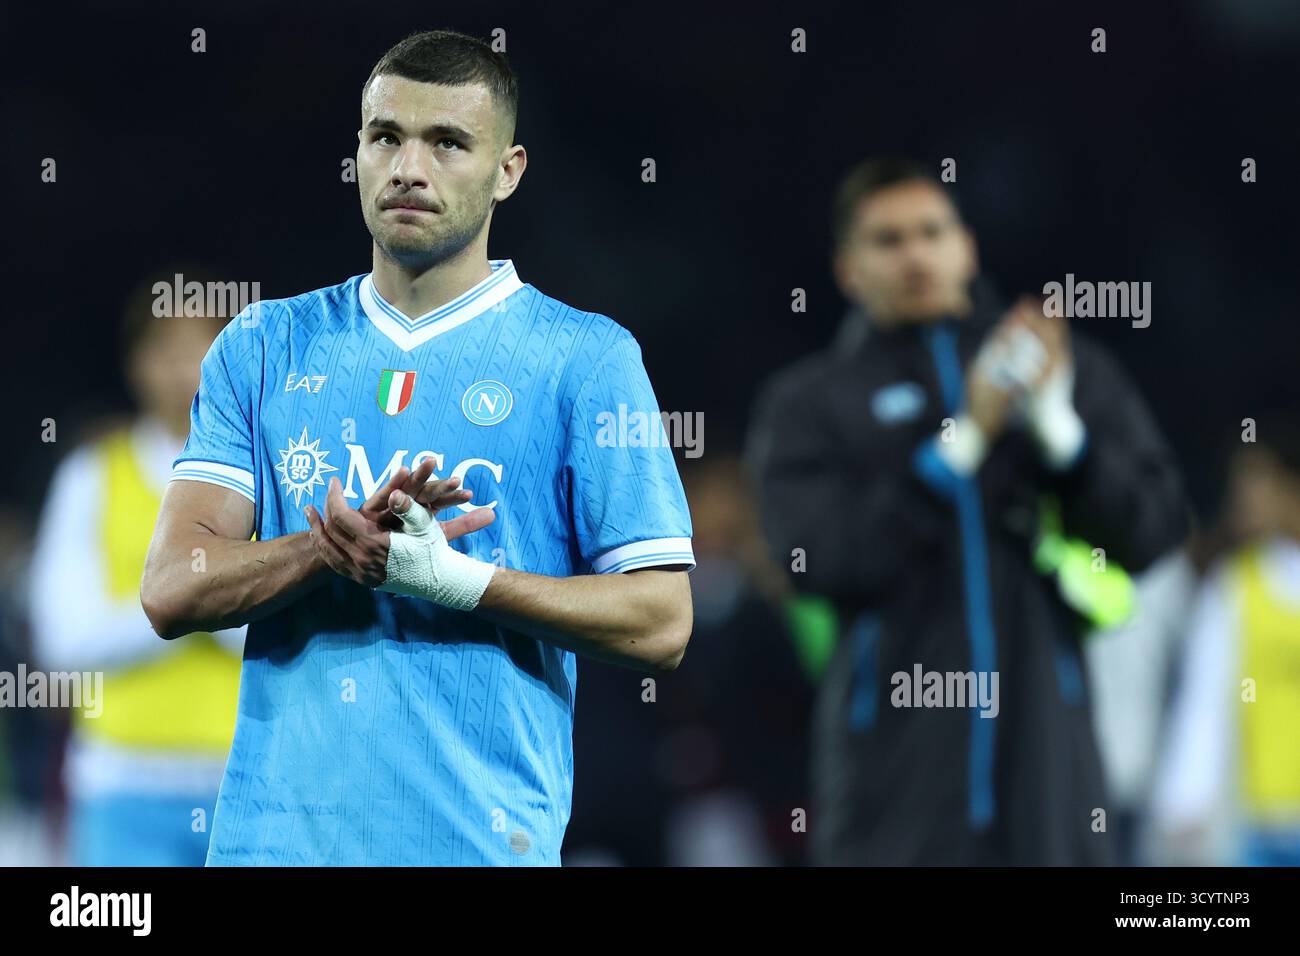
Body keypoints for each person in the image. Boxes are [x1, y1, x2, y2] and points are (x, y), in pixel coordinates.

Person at [139, 30, 694, 866]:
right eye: (385, 137)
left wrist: (454, 580)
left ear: (507, 170)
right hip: (274, 848)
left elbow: (662, 621)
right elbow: (170, 590)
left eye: (447, 143)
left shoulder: (586, 359)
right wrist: (329, 550)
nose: (407, 168)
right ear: (357, 152)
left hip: (479, 845)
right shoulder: (262, 346)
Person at [746, 158, 1188, 865]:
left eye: (933, 232)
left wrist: (1064, 441)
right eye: (888, 240)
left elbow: (1155, 530)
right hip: (893, 786)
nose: (916, 255)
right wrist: (959, 449)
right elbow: (812, 559)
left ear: (968, 247)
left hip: (1051, 777)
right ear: (848, 269)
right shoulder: (811, 403)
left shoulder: (1062, 368)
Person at [28, 279, 242, 865]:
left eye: (202, 347)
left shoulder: (270, 473)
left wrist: (170, 603)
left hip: (245, 778)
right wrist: (210, 598)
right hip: (120, 786)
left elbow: (295, 622)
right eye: (166, 350)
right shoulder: (92, 475)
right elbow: (64, 640)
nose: (184, 369)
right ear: (137, 363)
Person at [1151, 425, 1300, 866]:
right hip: (1262, 821)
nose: (1244, 499)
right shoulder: (1236, 585)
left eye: (1258, 482)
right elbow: (1206, 698)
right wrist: (1185, 798)